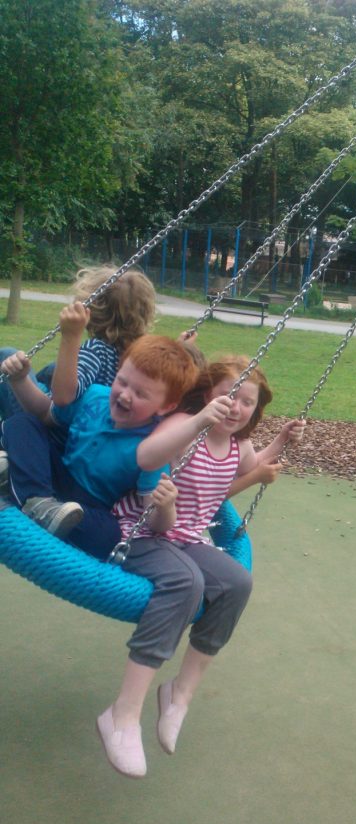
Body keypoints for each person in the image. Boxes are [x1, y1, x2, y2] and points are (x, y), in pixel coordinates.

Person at [97, 355, 306, 778]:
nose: (236, 406)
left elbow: (252, 466)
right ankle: (122, 714)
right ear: (208, 394)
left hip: (188, 538)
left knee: (237, 582)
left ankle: (179, 695)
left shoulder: (238, 444)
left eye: (247, 401)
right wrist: (196, 425)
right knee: (185, 582)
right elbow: (149, 466)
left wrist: (282, 440)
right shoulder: (184, 426)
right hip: (141, 531)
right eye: (229, 395)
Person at [0, 326, 199, 559]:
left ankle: (17, 483)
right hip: (54, 475)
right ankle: (37, 502)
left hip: (88, 506)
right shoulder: (95, 395)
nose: (125, 395)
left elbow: (153, 520)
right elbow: (44, 414)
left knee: (110, 535)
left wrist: (165, 507)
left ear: (165, 407)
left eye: (140, 394)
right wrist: (20, 380)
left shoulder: (153, 447)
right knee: (24, 423)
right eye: (122, 382)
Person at [0, 265, 156, 419]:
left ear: (91, 311)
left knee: (7, 355)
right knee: (52, 369)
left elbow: (61, 398)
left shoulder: (97, 351)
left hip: (54, 426)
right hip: (90, 420)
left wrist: (71, 336)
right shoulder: (139, 356)